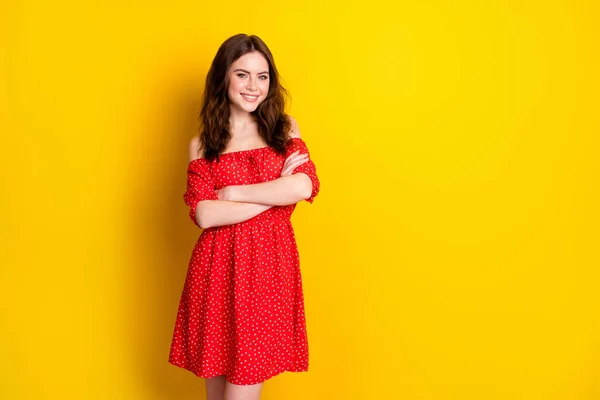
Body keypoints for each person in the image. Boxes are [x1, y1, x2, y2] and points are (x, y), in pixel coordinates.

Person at [168, 33, 320, 400]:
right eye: (242, 75)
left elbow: (303, 187)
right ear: (223, 77)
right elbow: (204, 214)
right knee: (217, 394)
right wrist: (274, 194)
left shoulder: (284, 129)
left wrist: (235, 194)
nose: (254, 86)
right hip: (216, 269)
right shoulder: (203, 144)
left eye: (262, 76)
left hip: (268, 271)